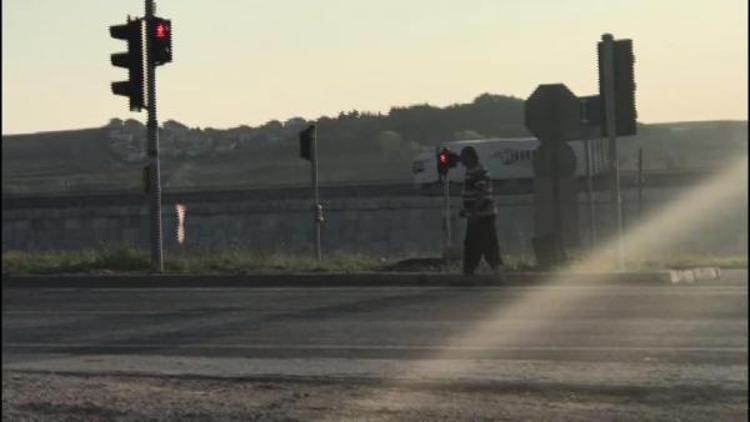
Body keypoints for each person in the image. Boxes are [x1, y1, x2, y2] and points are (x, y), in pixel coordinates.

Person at [458, 146, 504, 275]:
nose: (461, 161)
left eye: (463, 157)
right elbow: (474, 193)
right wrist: (466, 209)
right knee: (474, 245)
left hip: (482, 215)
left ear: (470, 157)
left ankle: (497, 271)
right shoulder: (472, 171)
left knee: (485, 244)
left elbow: (482, 193)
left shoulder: (478, 171)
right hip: (477, 215)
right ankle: (470, 271)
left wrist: (473, 211)